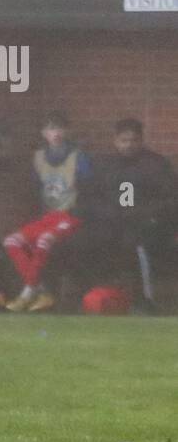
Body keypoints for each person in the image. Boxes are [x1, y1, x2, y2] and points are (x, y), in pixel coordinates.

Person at [54, 119, 177, 313]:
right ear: (115, 141)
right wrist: (108, 213)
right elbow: (89, 197)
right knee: (78, 241)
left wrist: (143, 213)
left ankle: (144, 300)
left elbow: (169, 199)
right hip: (109, 223)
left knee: (136, 245)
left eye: (133, 140)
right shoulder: (103, 165)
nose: (128, 145)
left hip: (143, 225)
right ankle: (82, 295)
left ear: (141, 140)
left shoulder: (155, 165)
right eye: (124, 140)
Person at [4, 113, 89, 312]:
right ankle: (41, 291)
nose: (56, 133)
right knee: (11, 241)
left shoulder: (78, 157)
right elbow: (34, 189)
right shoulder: (38, 157)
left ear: (67, 131)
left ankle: (27, 293)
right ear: (44, 133)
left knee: (45, 240)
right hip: (48, 215)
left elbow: (89, 188)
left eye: (59, 128)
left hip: (70, 214)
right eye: (51, 128)